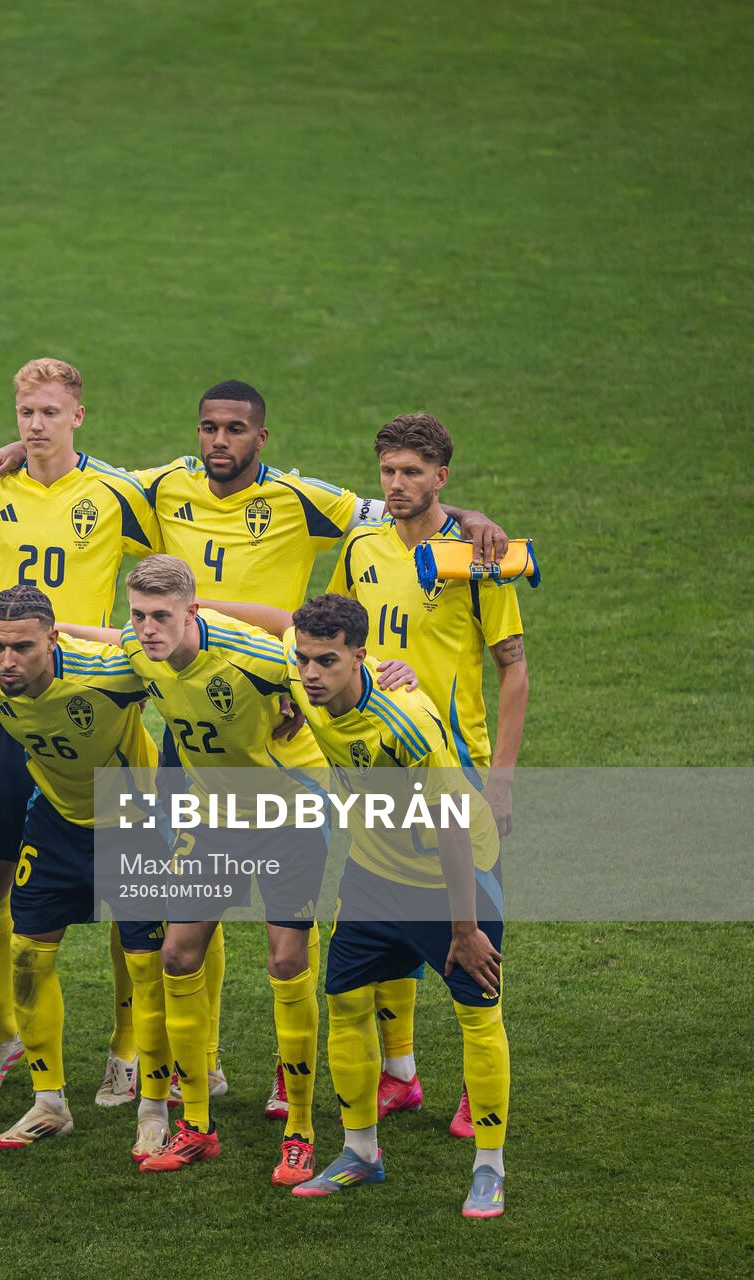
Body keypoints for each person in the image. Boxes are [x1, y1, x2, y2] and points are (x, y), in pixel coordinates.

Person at [0, 378, 506, 1127]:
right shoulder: (161, 487)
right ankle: (203, 1066)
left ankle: (392, 1069)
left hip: (284, 714)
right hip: (188, 717)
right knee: (184, 917)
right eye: (208, 428)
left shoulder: (300, 498)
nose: (218, 440)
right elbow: (76, 479)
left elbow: (399, 502)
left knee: (380, 891)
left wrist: (469, 518)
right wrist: (26, 446)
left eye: (234, 429)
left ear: (260, 436)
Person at [58, 555, 342, 1181]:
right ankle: (196, 1126)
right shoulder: (140, 649)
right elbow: (110, 642)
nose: (148, 628)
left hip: (290, 810)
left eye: (162, 616)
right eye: (138, 615)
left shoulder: (251, 655)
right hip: (214, 816)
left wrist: (383, 675)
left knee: (285, 960)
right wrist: (60, 632)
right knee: (179, 954)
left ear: (194, 613)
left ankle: (299, 1131)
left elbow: (325, 661)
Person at [0, 358, 161, 1108]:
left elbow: (173, 567)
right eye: (24, 414)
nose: (35, 425)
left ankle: (129, 1045)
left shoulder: (114, 492)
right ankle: (6, 1033)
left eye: (49, 412)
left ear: (79, 414)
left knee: (127, 889)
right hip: (14, 705)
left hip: (99, 701)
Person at [331, 412, 529, 1140]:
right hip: (379, 761)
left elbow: (513, 668)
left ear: (442, 476)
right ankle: (402, 1075)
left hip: (460, 765)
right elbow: (335, 632)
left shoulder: (479, 556)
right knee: (387, 914)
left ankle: (481, 1086)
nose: (397, 484)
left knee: (473, 919)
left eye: (413, 472)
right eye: (388, 471)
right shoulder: (361, 546)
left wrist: (501, 780)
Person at [282, 593, 509, 1218]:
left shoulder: (405, 721)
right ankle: (360, 1152)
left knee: (478, 1014)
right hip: (373, 874)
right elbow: (260, 625)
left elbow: (455, 822)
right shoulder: (305, 677)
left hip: (454, 877)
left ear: (359, 656)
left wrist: (463, 930)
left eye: (325, 661)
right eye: (302, 660)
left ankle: (489, 1167)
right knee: (346, 1002)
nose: (309, 675)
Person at [0, 586, 170, 1157]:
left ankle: (154, 1107)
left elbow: (177, 649)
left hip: (135, 820)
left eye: (23, 648)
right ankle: (49, 1102)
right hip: (57, 821)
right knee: (26, 957)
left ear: (54, 641)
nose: (7, 662)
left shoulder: (110, 671)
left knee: (147, 966)